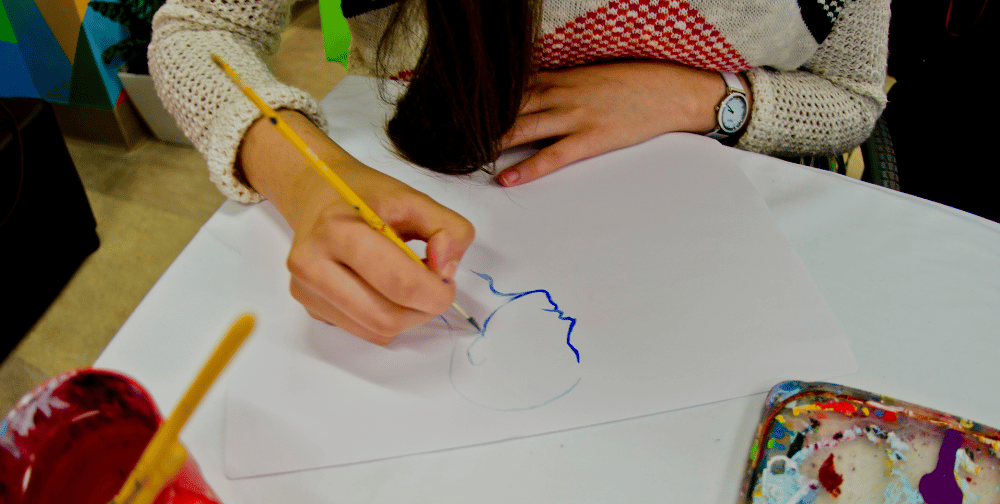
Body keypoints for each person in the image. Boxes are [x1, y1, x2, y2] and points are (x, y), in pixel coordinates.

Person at [148, 0, 890, 345]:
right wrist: (310, 181)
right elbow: (199, 29)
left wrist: (702, 98)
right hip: (432, 159)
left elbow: (853, 99)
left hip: (726, 264)